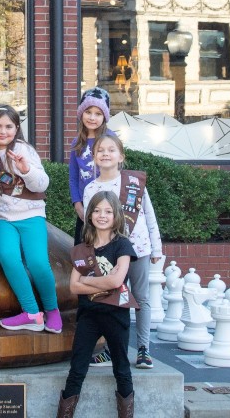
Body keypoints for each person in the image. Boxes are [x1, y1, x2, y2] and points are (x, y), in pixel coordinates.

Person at [83, 132, 162, 369]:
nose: (106, 154)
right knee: (113, 299)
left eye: (111, 150)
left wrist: (157, 247)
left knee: (141, 298)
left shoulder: (134, 183)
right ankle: (110, 349)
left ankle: (143, 349)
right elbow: (91, 222)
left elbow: (149, 214)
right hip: (109, 252)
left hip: (139, 248)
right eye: (100, 150)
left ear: (121, 156)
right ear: (94, 157)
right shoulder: (91, 188)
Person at [0, 103, 61, 333]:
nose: (2, 131)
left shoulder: (24, 150)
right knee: (9, 258)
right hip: (1, 218)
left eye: (8, 126)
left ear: (16, 128)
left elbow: (42, 184)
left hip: (30, 214)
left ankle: (52, 310)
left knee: (37, 262)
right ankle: (32, 313)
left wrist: (26, 170)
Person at [56, 190, 136, 418]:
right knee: (76, 370)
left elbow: (117, 280)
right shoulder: (82, 248)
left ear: (116, 216)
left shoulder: (122, 245)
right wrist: (101, 284)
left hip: (116, 315)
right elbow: (74, 286)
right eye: (98, 210)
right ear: (89, 215)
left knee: (121, 368)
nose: (102, 215)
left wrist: (87, 281)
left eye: (108, 211)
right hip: (88, 316)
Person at [68, 87, 115, 243]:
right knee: (82, 254)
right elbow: (73, 177)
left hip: (107, 209)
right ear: (82, 113)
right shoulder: (77, 142)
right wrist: (78, 205)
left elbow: (117, 174)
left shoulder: (110, 139)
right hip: (86, 209)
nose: (92, 117)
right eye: (88, 112)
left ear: (104, 117)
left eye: (98, 113)